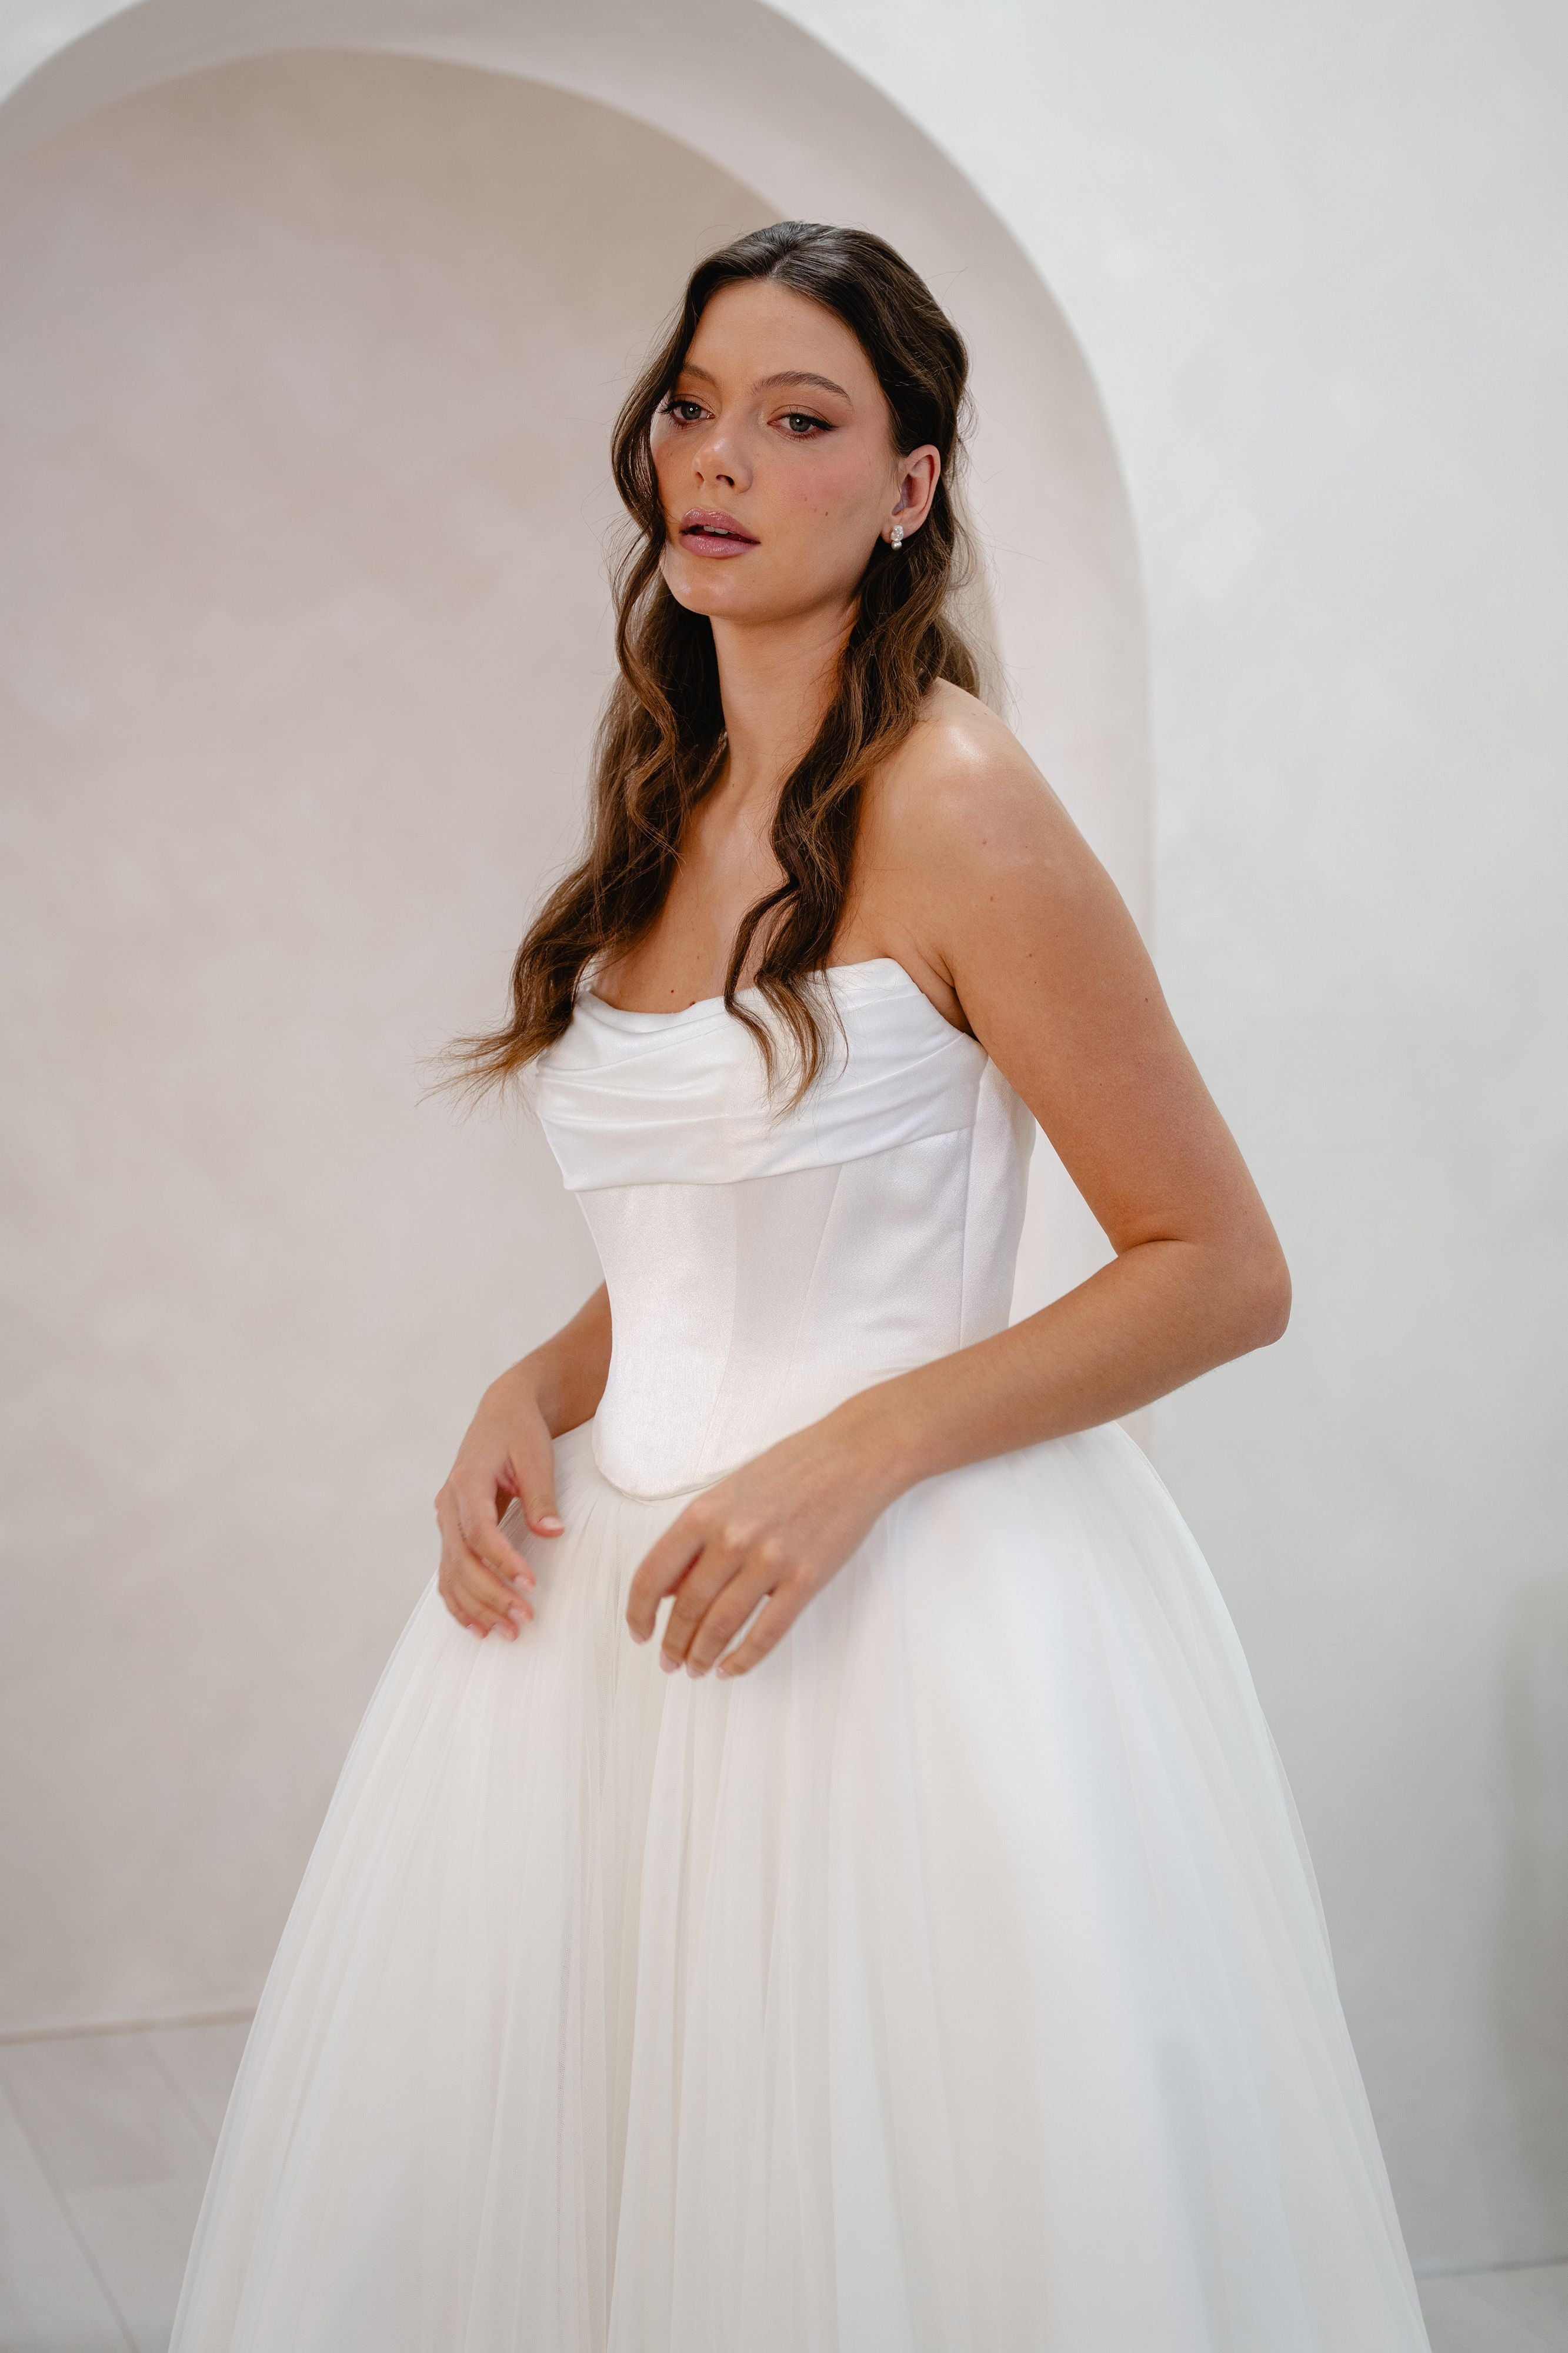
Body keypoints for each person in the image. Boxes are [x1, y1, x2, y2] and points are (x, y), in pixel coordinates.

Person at [171, 220, 1432, 2351]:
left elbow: (1219, 1267)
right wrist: (531, 1385)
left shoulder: (954, 799)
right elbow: (709, 1219)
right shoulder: (668, 799)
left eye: (796, 419)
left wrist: (851, 1454)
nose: (716, 460)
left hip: (902, 1630)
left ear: (911, 489)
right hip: (616, 1631)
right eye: (689, 407)